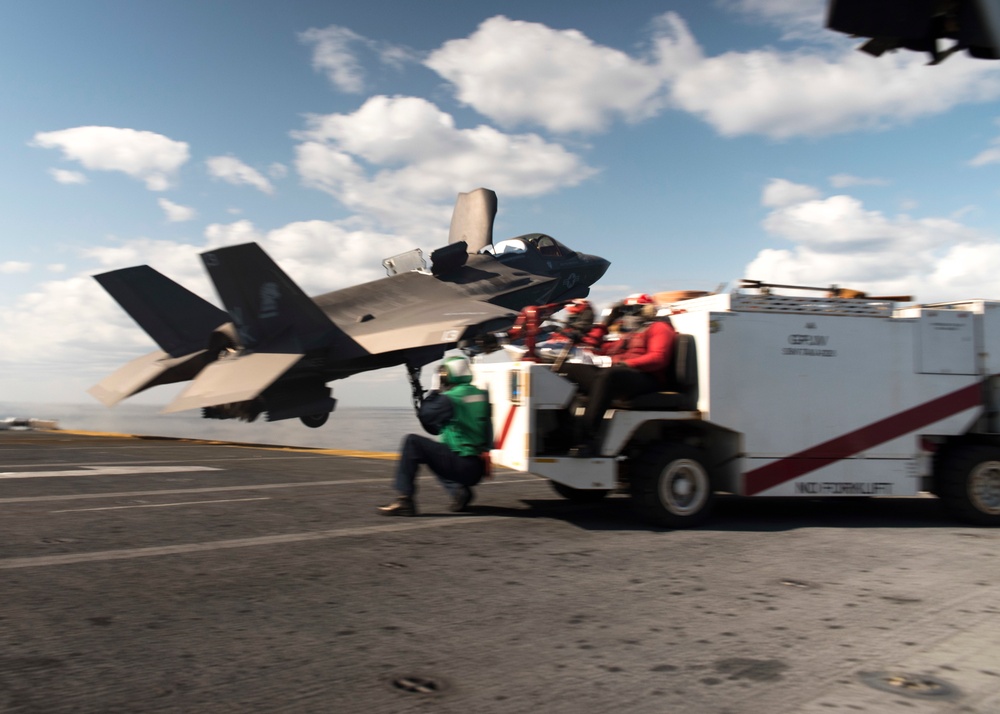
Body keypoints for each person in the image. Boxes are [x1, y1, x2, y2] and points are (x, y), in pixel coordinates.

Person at [560, 294, 676, 457]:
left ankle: (587, 439)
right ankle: (563, 433)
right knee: (568, 368)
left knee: (609, 376)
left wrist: (625, 364)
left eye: (632, 310)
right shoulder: (630, 334)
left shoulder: (659, 328)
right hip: (621, 374)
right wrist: (605, 324)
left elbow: (658, 358)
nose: (628, 315)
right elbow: (593, 346)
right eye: (625, 311)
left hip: (647, 378)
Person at [378, 356, 493, 516]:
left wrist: (434, 390)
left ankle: (404, 499)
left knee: (412, 443)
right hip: (477, 468)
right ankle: (459, 492)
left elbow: (425, 414)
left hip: (462, 465)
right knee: (438, 452)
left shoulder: (451, 398)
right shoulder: (480, 395)